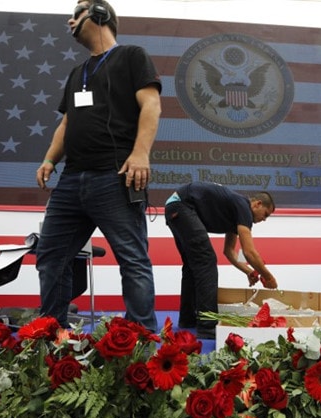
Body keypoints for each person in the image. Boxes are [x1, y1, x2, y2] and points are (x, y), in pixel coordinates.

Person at [35, 0, 161, 331]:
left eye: (77, 13)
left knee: (132, 260)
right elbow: (66, 123)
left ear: (100, 15)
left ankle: (141, 339)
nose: (70, 20)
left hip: (115, 176)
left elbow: (151, 104)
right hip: (72, 180)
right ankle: (51, 334)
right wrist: (50, 158)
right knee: (50, 256)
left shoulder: (132, 55)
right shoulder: (78, 73)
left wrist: (141, 153)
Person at [165, 182, 278, 339]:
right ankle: (207, 325)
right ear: (257, 204)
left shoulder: (235, 211)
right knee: (207, 261)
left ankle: (187, 319)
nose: (264, 220)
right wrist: (268, 276)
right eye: (266, 214)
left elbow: (229, 252)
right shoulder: (244, 207)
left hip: (174, 207)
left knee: (193, 266)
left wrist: (249, 271)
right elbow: (249, 252)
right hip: (182, 205)